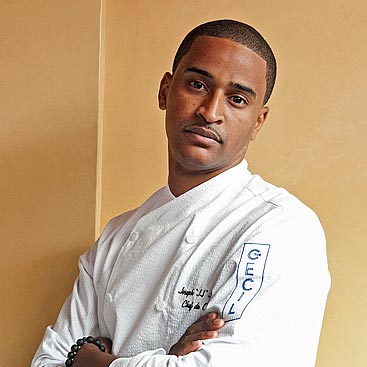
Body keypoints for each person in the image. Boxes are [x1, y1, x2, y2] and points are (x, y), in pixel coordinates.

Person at [32, 19, 330, 367]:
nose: (210, 112)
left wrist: (88, 360)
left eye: (236, 99)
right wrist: (167, 358)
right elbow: (46, 361)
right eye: (197, 85)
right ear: (165, 91)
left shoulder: (282, 227)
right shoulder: (116, 238)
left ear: (258, 122)